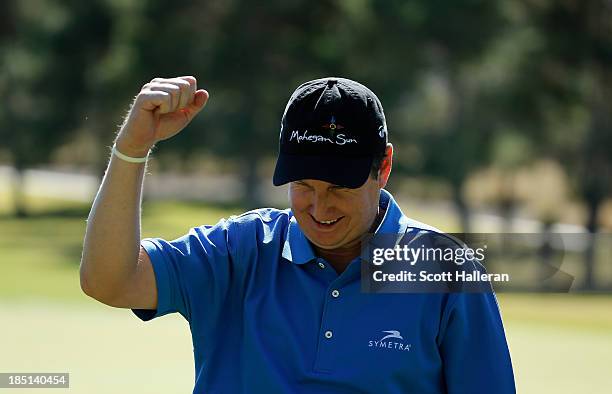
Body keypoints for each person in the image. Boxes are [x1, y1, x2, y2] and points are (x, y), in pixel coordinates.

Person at [80, 76, 516, 393]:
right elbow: (109, 280)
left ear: (382, 168)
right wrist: (132, 150)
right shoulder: (238, 250)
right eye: (304, 186)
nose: (319, 208)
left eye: (339, 188)